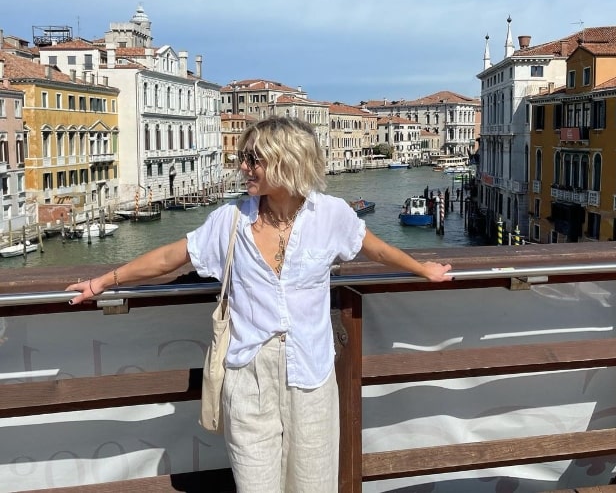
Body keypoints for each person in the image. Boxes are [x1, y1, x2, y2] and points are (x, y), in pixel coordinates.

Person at [66, 116, 452, 493]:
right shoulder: (229, 221)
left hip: (312, 375)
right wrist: (103, 282)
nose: (243, 168)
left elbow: (376, 250)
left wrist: (423, 269)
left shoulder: (331, 214)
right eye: (243, 159)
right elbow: (172, 257)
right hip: (248, 374)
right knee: (255, 483)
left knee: (314, 483)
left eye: (254, 160)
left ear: (287, 162)